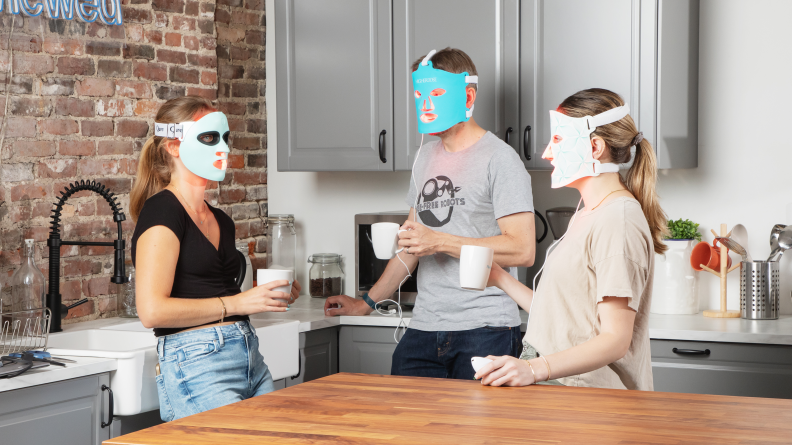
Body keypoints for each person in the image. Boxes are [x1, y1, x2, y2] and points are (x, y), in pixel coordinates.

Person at [324, 48, 536, 380]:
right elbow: (413, 246)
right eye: (420, 94)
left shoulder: (500, 159)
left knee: (475, 433)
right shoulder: (424, 157)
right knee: (407, 428)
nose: (425, 103)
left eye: (436, 93)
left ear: (467, 94)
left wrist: (439, 241)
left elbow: (523, 249)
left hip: (485, 328)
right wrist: (366, 302)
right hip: (424, 327)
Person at [475, 88, 667, 390]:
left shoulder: (618, 221)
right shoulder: (587, 212)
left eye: (559, 140)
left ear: (595, 147)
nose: (546, 152)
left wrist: (533, 369)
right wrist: (500, 278)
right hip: (565, 395)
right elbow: (564, 313)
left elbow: (615, 340)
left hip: (593, 403)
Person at [130, 96, 302, 421]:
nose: (222, 147)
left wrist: (273, 295)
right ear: (174, 147)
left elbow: (219, 295)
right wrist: (238, 304)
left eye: (224, 138)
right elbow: (152, 311)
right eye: (209, 138)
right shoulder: (163, 210)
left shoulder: (222, 220)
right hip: (196, 361)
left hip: (248, 355)